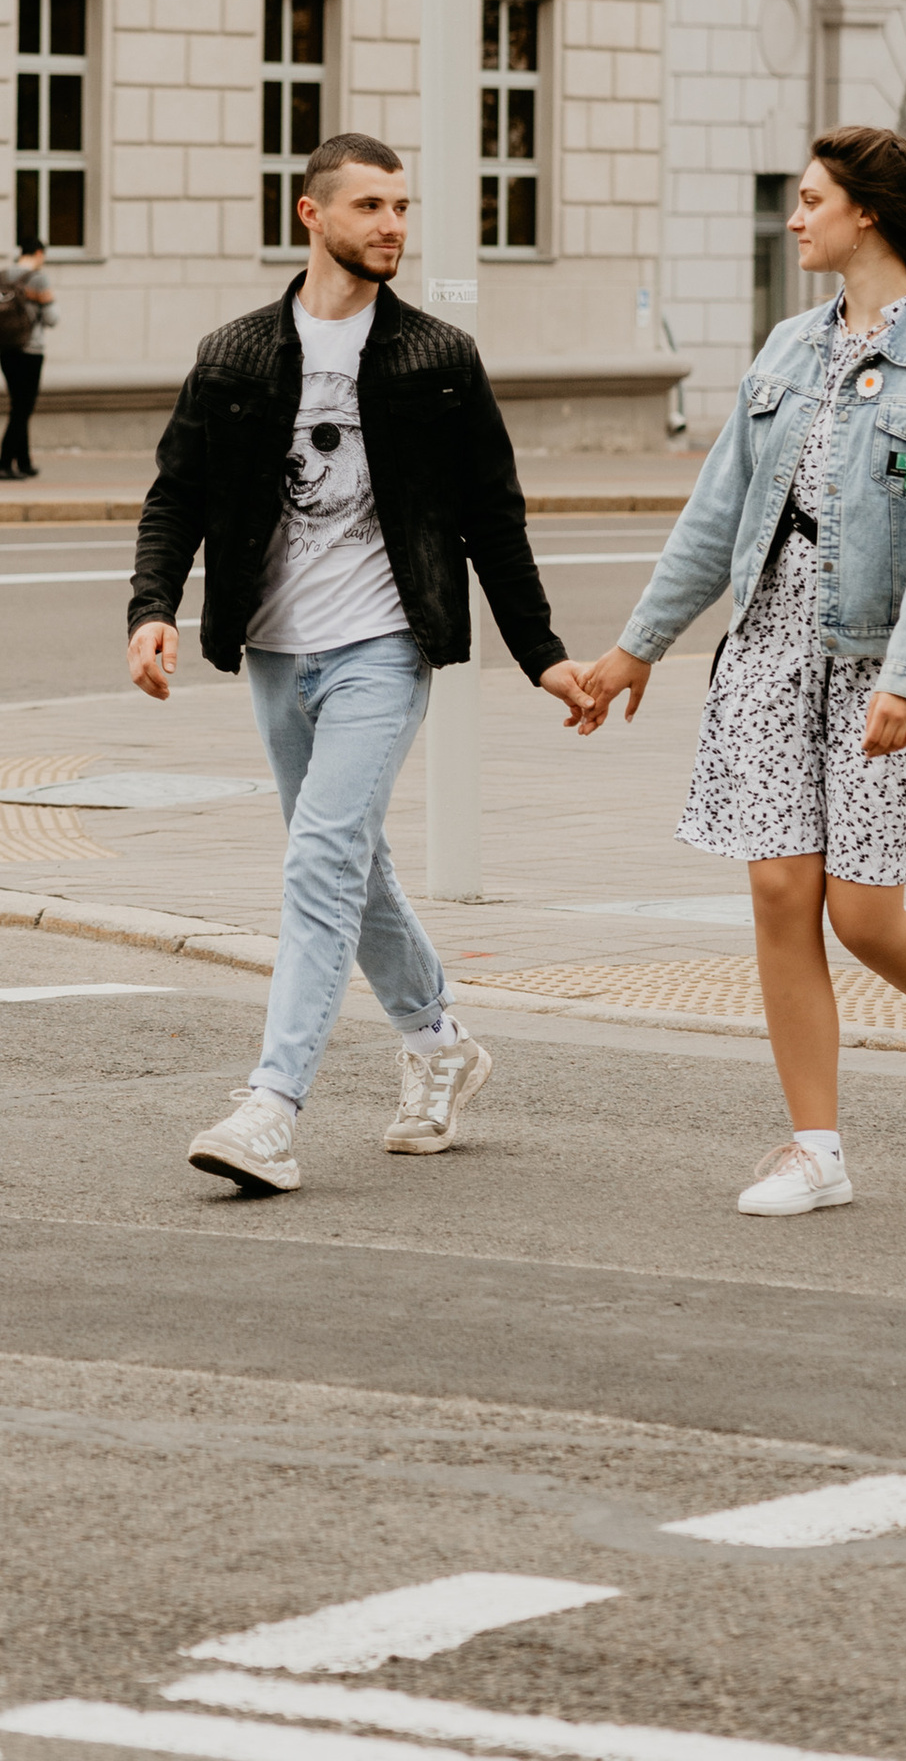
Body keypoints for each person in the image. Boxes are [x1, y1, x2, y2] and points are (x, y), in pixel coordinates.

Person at [126, 131, 595, 1196]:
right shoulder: (236, 353)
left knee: (319, 862)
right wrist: (152, 610)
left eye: (400, 207)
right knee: (348, 863)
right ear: (312, 215)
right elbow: (177, 496)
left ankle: (269, 1109)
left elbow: (493, 519)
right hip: (273, 649)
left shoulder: (436, 357)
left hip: (386, 643)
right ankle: (438, 1044)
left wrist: (544, 657)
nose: (391, 226)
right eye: (370, 207)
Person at [574, 126, 906, 1211]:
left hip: (880, 660)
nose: (794, 216)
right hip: (769, 648)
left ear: (867, 211)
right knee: (780, 892)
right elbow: (715, 512)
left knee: (863, 916)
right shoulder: (785, 350)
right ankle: (814, 1147)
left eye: (811, 198)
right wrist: (639, 647)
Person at [0, 236, 55, 479]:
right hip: (30, 350)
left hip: (5, 349)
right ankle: (4, 463)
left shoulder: (0, 276)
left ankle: (24, 461)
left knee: (18, 404)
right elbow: (52, 318)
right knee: (23, 408)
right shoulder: (38, 278)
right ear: (37, 254)